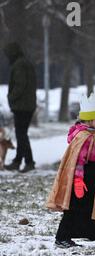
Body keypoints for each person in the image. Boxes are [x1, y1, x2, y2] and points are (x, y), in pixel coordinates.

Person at [46, 93, 95, 248]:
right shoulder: (84, 137)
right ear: (90, 119)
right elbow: (78, 162)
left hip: (94, 178)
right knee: (75, 208)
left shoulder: (90, 135)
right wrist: (78, 180)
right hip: (84, 180)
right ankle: (62, 237)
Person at [3, 42, 37, 173]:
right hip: (27, 105)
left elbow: (19, 85)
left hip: (22, 106)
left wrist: (11, 97)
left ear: (12, 53)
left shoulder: (19, 65)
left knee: (21, 135)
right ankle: (18, 161)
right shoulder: (25, 63)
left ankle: (28, 162)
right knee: (22, 134)